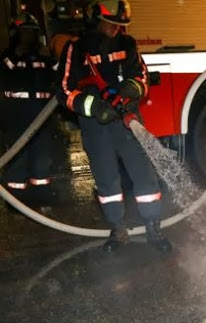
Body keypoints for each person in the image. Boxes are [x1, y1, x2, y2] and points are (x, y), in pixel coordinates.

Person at [56, 0, 171, 252]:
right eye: (112, 24)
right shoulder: (75, 49)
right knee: (106, 178)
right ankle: (118, 229)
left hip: (127, 120)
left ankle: (153, 226)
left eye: (121, 25)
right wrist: (95, 107)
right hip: (96, 126)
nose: (116, 30)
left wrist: (132, 89)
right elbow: (64, 90)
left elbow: (141, 75)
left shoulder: (127, 44)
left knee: (143, 173)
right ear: (95, 18)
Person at [0, 13, 56, 206]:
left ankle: (41, 196)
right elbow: (4, 71)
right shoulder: (8, 57)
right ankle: (16, 201)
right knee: (17, 158)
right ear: (16, 34)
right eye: (24, 33)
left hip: (42, 115)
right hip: (16, 117)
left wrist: (52, 56)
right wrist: (17, 54)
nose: (29, 37)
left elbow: (59, 74)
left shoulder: (44, 55)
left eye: (32, 33)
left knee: (42, 158)